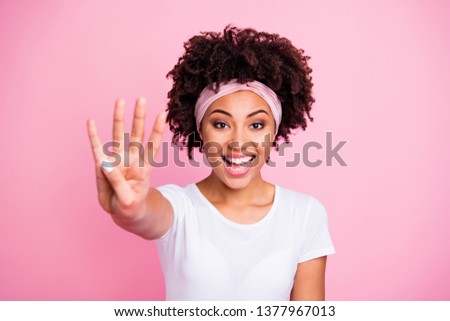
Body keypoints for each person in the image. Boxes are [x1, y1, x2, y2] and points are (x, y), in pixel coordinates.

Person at [86, 24, 335, 301]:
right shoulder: (179, 208)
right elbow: (147, 213)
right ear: (200, 130)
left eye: (256, 124)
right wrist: (131, 208)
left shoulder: (304, 214)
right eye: (220, 123)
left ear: (273, 131)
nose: (238, 142)